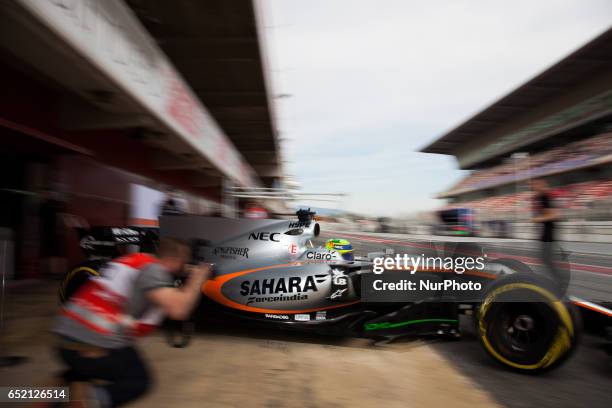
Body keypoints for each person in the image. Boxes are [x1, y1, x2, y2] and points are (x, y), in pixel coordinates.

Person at [53, 237, 212, 407]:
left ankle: (45, 395)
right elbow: (179, 309)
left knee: (79, 372)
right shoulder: (154, 271)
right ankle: (84, 402)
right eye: (184, 262)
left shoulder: (136, 261)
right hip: (92, 339)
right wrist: (198, 278)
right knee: (137, 380)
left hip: (66, 336)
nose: (185, 266)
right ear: (174, 260)